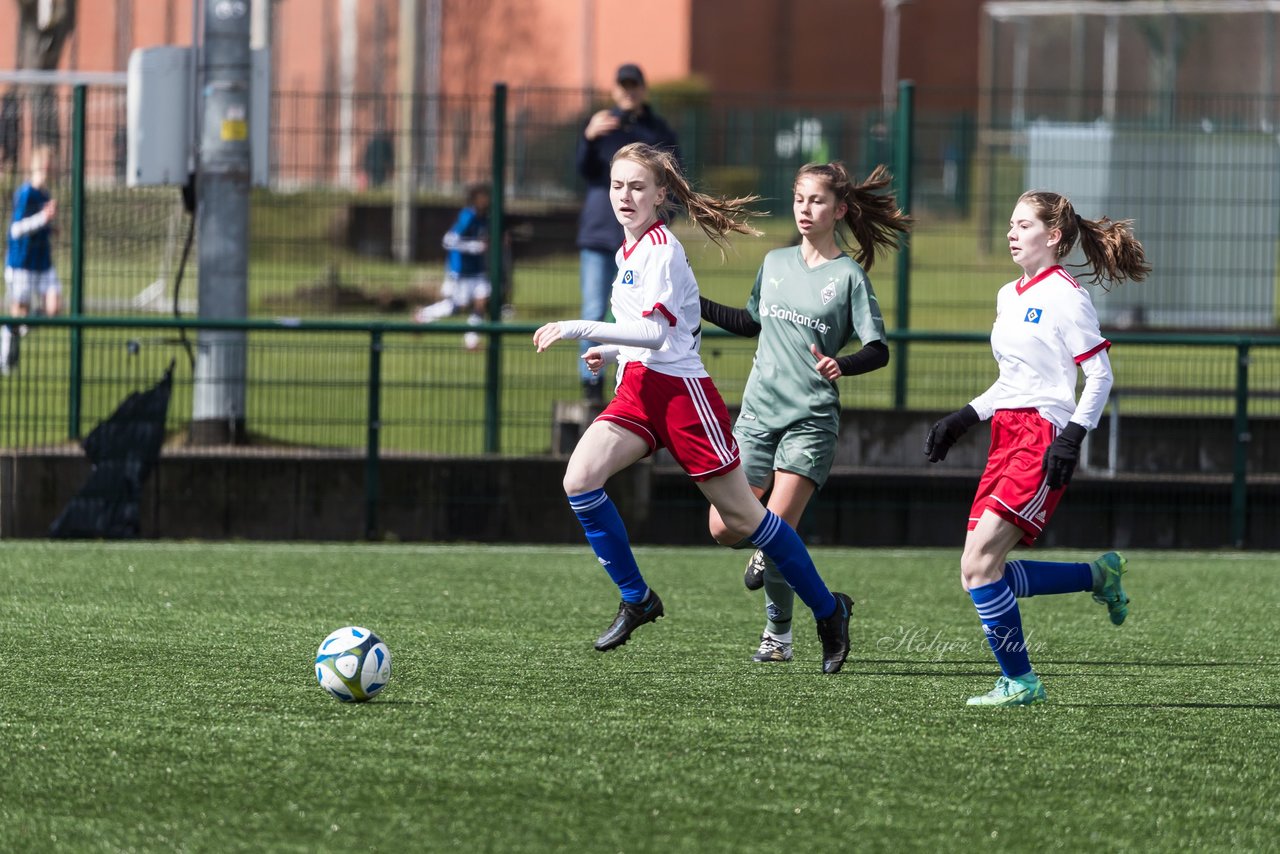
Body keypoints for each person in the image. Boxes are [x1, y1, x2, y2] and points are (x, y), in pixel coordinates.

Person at [533, 142, 853, 673]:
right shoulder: (627, 250)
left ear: (661, 195)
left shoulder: (660, 248)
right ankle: (637, 599)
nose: (625, 196)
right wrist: (606, 350)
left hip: (682, 396)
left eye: (638, 187)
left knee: (745, 520)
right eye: (617, 186)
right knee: (579, 479)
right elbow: (647, 333)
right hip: (637, 388)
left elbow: (659, 334)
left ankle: (828, 611)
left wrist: (577, 328)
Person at [923, 189, 1150, 707]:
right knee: (977, 571)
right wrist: (965, 417)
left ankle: (1021, 682)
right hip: (1005, 434)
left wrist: (1072, 436)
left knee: (980, 565)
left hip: (1040, 438)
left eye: (1023, 225)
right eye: (1009, 223)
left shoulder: (1067, 296)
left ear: (1053, 236)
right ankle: (1097, 575)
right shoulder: (1010, 295)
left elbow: (1099, 376)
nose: (1011, 233)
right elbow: (1014, 381)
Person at [699, 162, 910, 664]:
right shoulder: (774, 262)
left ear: (839, 210)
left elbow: (879, 349)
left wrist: (844, 363)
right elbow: (750, 323)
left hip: (810, 421)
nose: (804, 209)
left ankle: (779, 636)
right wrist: (695, 302)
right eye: (798, 198)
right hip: (756, 415)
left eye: (816, 200)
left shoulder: (848, 276)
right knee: (722, 527)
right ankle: (789, 568)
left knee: (777, 532)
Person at [574, 63, 679, 404]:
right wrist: (588, 139)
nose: (628, 91)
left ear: (643, 89)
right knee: (593, 308)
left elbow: (672, 179)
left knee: (640, 313)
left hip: (640, 241)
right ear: (615, 88)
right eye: (623, 85)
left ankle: (638, 376)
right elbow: (584, 171)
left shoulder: (657, 130)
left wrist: (662, 224)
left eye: (634, 84)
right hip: (600, 234)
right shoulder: (602, 126)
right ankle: (591, 384)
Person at [3, 144, 60, 374]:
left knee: (55, 308)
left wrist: (51, 228)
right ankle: (6, 351)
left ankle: (18, 329)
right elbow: (16, 230)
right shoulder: (25, 194)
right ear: (39, 167)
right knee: (19, 313)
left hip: (42, 262)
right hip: (22, 262)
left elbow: (40, 226)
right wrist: (42, 218)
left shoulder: (45, 194)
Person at [414, 183, 490, 351]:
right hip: (461, 270)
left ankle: (472, 342)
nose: (487, 200)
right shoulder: (467, 216)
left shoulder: (484, 217)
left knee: (481, 303)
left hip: (477, 270)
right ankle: (422, 315)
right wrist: (475, 247)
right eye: (483, 196)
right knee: (456, 307)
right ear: (476, 198)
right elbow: (449, 240)